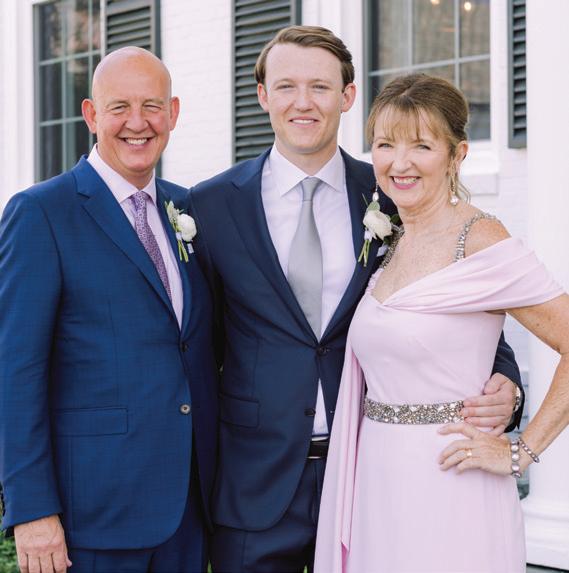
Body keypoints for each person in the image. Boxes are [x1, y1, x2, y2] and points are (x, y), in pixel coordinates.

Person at [188, 27, 523, 572]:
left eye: (320, 87)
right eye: (287, 86)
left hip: (372, 472)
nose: (303, 102)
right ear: (263, 95)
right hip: (255, 482)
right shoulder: (210, 206)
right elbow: (200, 342)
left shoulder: (394, 189)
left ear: (346, 96)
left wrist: (505, 378)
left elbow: (454, 300)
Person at [314, 73, 569, 573]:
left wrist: (521, 452)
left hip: (454, 481)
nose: (399, 162)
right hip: (378, 481)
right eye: (385, 144)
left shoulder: (482, 240)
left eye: (422, 145)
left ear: (457, 155)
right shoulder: (392, 240)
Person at [0, 47, 218, 573]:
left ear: (173, 113)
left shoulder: (187, 207)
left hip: (189, 510)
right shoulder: (40, 213)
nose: (137, 123)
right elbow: (15, 372)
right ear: (91, 114)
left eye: (152, 106)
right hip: (91, 518)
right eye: (119, 107)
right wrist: (32, 510)